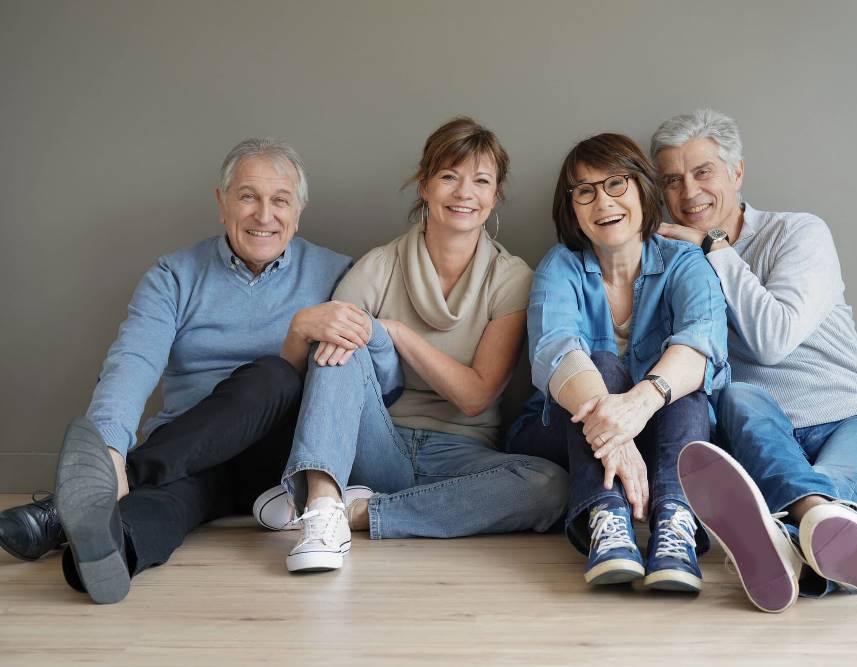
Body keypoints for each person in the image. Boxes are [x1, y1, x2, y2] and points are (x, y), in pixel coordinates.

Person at [0, 138, 371, 604]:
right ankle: (102, 556)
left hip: (282, 462)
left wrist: (296, 341)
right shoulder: (173, 275)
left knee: (273, 376)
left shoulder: (340, 275)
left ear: (299, 210)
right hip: (191, 453)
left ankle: (67, 509)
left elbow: (362, 375)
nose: (264, 215)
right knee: (164, 504)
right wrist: (110, 448)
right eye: (248, 196)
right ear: (222, 203)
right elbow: (133, 361)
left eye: (280, 200)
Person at [279, 117, 568, 573]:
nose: (464, 193)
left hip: (460, 453)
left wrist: (396, 332)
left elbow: (474, 397)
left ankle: (356, 513)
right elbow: (328, 368)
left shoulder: (512, 279)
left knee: (549, 486)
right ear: (425, 185)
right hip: (377, 444)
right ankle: (320, 505)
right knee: (341, 339)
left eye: (481, 181)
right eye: (449, 176)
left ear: (495, 195)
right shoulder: (379, 266)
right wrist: (357, 331)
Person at [653, 108, 857, 613]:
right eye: (672, 180)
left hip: (855, 415)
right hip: (759, 430)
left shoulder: (798, 233)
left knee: (832, 502)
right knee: (740, 394)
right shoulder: (669, 261)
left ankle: (785, 537)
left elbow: (773, 338)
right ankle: (807, 535)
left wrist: (715, 249)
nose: (689, 193)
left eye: (703, 172)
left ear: (737, 173)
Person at [505, 133, 728, 590]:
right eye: (584, 191)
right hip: (563, 433)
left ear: (643, 189)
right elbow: (555, 350)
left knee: (683, 388)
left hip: (667, 432)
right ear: (572, 209)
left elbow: (703, 342)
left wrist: (640, 404)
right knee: (600, 364)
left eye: (615, 184)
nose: (601, 201)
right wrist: (617, 435)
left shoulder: (685, 262)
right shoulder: (560, 266)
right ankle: (607, 521)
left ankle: (674, 526)